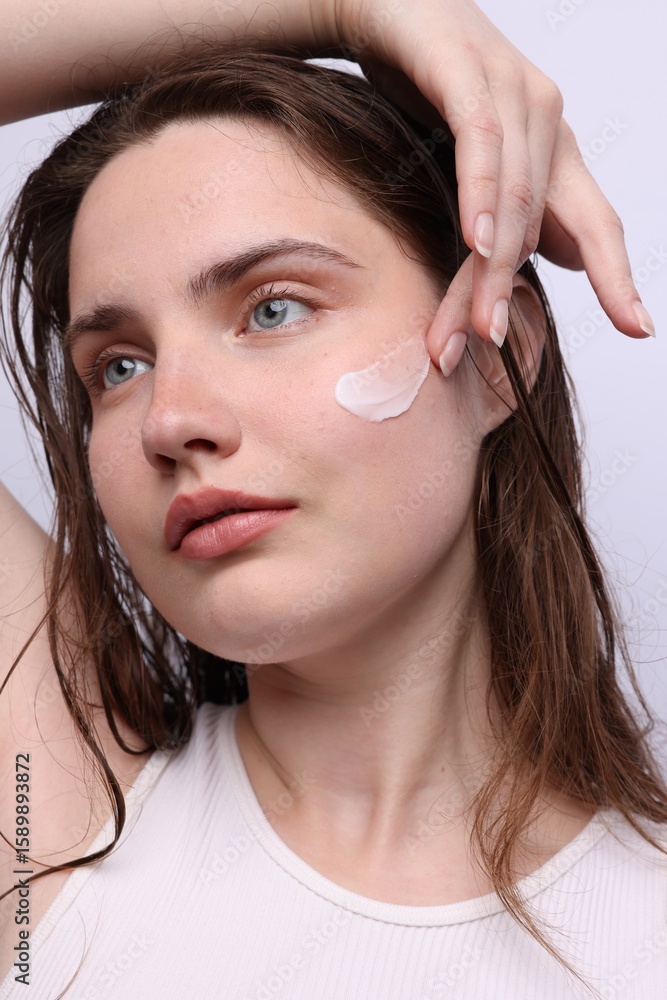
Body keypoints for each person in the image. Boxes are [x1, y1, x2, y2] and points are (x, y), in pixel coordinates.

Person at [0, 18, 664, 1000]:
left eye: (272, 309)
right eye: (119, 366)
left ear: (493, 357)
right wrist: (344, 7)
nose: (170, 419)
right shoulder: (49, 821)